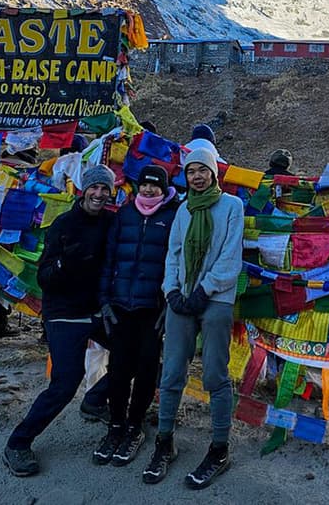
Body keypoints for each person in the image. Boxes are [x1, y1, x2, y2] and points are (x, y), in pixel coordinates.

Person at [2, 164, 117, 477]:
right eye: (94, 187)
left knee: (137, 354)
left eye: (104, 189)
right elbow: (44, 277)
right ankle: (19, 442)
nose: (99, 194)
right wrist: (66, 263)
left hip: (99, 310)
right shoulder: (63, 225)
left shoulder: (112, 221)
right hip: (64, 312)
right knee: (66, 381)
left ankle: (94, 401)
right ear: (83, 189)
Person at [144, 147, 243, 489]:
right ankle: (164, 441)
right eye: (191, 171)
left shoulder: (232, 206)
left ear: (214, 173)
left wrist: (205, 290)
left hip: (216, 300)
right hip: (181, 299)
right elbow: (173, 255)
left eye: (203, 170)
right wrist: (172, 292)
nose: (197, 176)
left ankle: (219, 448)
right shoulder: (183, 210)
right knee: (171, 371)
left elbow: (231, 256)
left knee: (215, 373)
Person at [94, 164, 178, 467]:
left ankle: (134, 427)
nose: (149, 190)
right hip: (120, 307)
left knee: (145, 371)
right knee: (117, 369)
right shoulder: (125, 215)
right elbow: (109, 259)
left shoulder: (172, 217)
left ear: (163, 188)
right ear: (137, 186)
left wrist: (168, 305)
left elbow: (176, 263)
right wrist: (104, 300)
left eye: (155, 186)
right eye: (144, 185)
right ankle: (115, 425)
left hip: (151, 309)